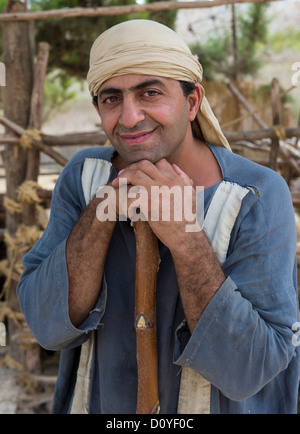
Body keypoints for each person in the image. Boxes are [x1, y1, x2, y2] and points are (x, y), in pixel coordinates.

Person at [17, 19, 300, 414]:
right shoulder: (85, 178)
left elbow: (249, 368)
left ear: (192, 101)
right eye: (111, 98)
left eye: (150, 92)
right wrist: (102, 211)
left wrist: (185, 236)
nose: (130, 117)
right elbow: (46, 325)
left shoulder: (255, 194)